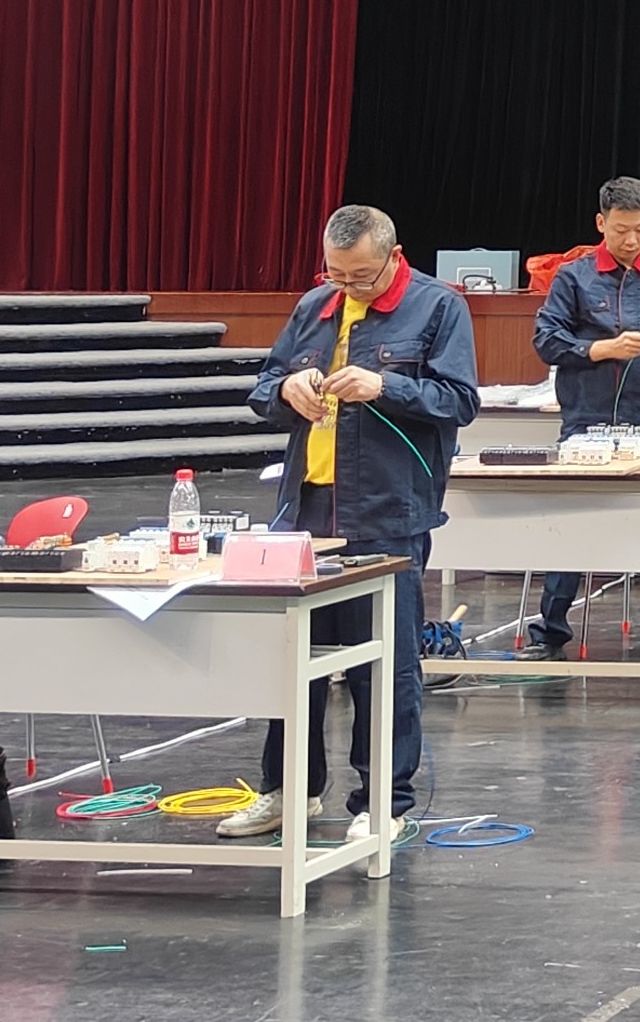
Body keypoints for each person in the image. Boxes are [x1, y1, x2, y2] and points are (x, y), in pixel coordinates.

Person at [220, 204, 479, 842]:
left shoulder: (438, 307)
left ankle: (383, 802)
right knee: (293, 657)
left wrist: (385, 386)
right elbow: (264, 385)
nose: (347, 287)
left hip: (388, 510)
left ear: (394, 257)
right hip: (306, 507)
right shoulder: (315, 306)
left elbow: (460, 400)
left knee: (383, 666)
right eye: (335, 275)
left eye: (360, 277)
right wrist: (285, 391)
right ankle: (289, 790)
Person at [528, 175, 640, 658]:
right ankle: (549, 631)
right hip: (585, 419)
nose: (632, 240)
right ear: (601, 223)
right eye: (622, 230)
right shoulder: (573, 277)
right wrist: (600, 349)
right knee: (570, 523)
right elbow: (546, 340)